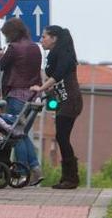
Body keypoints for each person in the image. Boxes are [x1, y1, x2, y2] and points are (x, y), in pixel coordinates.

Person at [30, 25, 83, 189]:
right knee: (61, 137)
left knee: (62, 137)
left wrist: (41, 88)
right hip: (63, 100)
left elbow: (58, 75)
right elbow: (56, 77)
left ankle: (71, 178)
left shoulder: (65, 54)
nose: (41, 40)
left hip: (70, 100)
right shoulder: (54, 54)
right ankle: (67, 177)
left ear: (54, 38)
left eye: (44, 36)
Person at [0, 18, 44, 186]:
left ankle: (22, 171)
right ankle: (35, 169)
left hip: (16, 94)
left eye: (6, 35)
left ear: (11, 33)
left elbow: (0, 67)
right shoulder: (35, 47)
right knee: (22, 133)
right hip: (32, 96)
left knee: (16, 135)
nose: (5, 38)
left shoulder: (13, 48)